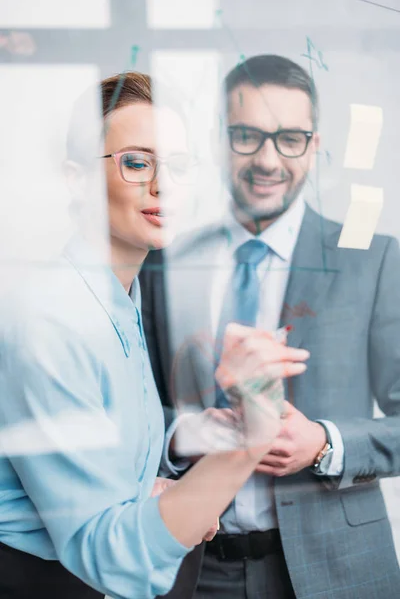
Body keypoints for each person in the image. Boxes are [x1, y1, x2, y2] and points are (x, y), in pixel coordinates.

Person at [0, 70, 308, 599]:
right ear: (78, 178)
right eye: (137, 162)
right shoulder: (49, 320)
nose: (164, 186)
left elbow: (98, 432)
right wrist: (245, 447)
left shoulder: (119, 294)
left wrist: (186, 438)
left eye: (180, 166)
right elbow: (108, 556)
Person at [140, 55, 400, 599]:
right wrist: (184, 437)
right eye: (247, 136)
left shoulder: (373, 260)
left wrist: (326, 444)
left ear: (315, 144)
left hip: (340, 568)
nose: (267, 159)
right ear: (219, 140)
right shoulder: (165, 263)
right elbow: (135, 407)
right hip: (192, 567)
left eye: (289, 138)